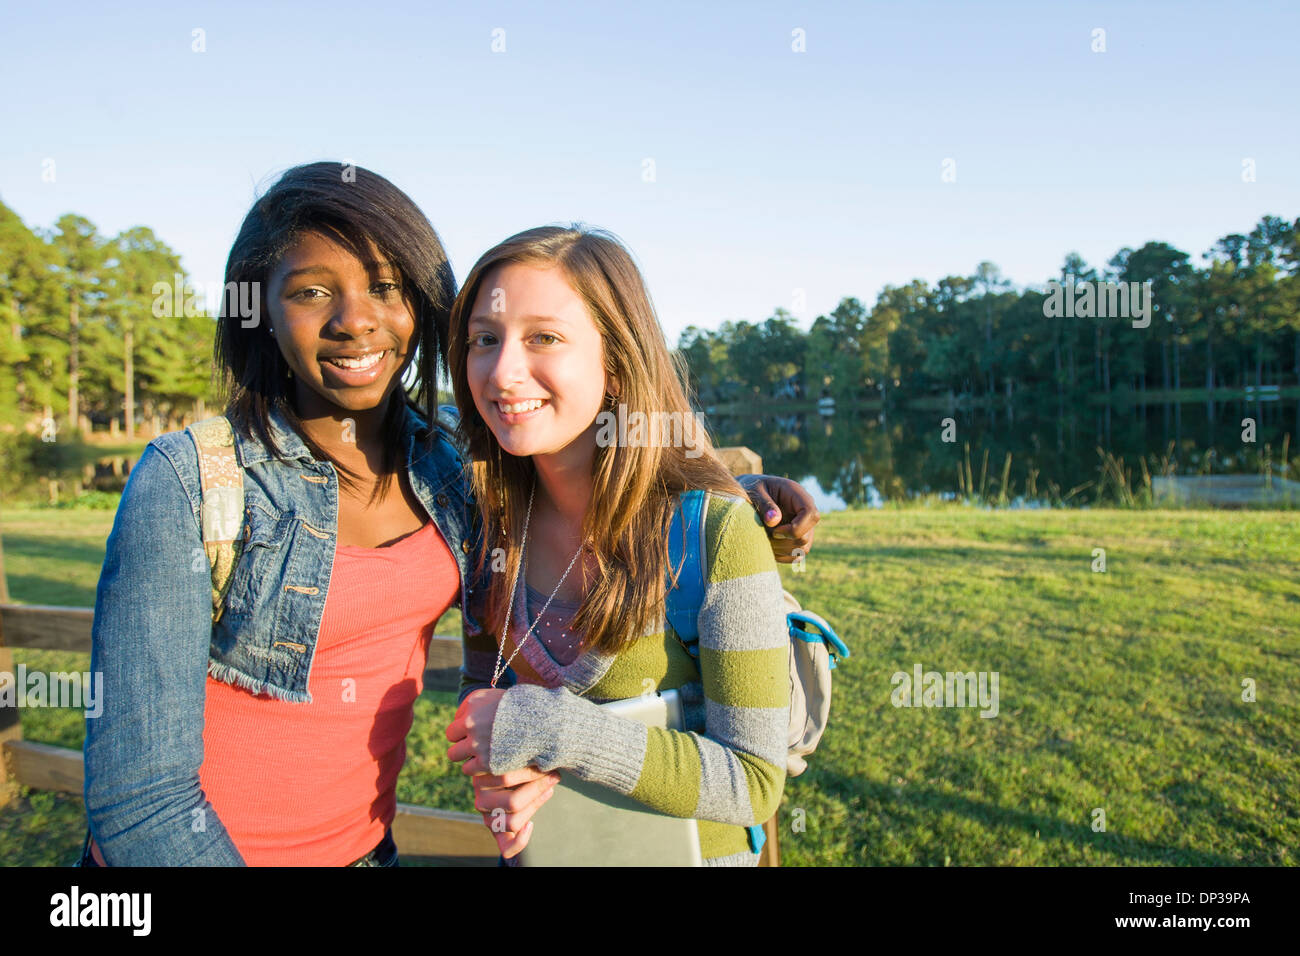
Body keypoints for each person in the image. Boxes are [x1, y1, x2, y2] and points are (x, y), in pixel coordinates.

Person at [82, 163, 818, 865]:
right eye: (309, 292)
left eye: (384, 286)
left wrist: (736, 499)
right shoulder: (194, 484)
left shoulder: (447, 476)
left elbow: (608, 461)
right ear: (260, 310)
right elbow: (138, 799)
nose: (354, 320)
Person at [445, 225, 794, 866]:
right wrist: (504, 779)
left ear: (617, 357)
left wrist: (550, 730)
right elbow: (484, 699)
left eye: (543, 337)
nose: (503, 371)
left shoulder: (714, 535)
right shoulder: (487, 527)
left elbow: (753, 782)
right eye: (484, 341)